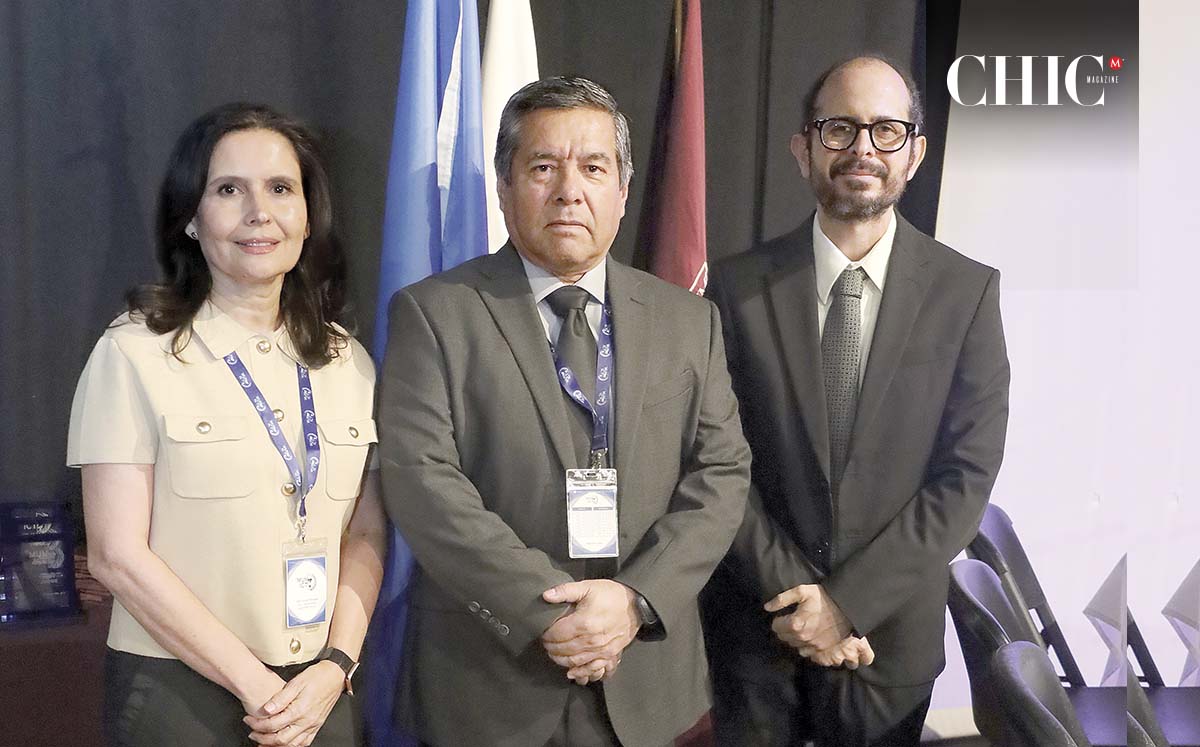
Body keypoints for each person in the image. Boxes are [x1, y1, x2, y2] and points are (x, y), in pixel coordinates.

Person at [377, 76, 751, 747]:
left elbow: (721, 474)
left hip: (644, 681)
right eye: (543, 166)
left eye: (593, 167)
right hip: (488, 681)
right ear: (504, 184)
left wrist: (633, 601)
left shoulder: (689, 321)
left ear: (623, 190)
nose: (569, 190)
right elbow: (423, 482)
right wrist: (545, 611)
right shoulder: (434, 314)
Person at [702, 56, 1011, 746]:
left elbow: (965, 478)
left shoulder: (967, 294)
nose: (863, 149)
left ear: (916, 152)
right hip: (757, 634)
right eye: (839, 128)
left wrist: (845, 604)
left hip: (888, 643)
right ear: (802, 147)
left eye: (886, 130)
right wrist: (800, 602)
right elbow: (715, 460)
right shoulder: (733, 288)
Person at [67, 103, 386, 747]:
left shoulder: (347, 361)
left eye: (280, 189)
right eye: (228, 190)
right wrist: (256, 684)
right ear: (191, 216)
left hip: (318, 693)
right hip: (178, 694)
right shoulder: (134, 352)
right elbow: (116, 554)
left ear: (306, 215)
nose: (258, 212)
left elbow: (367, 528)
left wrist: (337, 664)